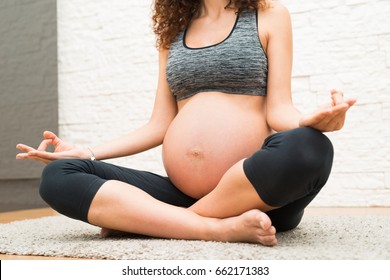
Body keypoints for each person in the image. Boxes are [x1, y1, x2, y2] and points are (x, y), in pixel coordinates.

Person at [16, 0, 356, 246]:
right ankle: (215, 228)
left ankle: (152, 221)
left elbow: (278, 110)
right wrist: (86, 152)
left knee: (312, 147)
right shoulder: (173, 29)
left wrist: (310, 122)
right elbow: (160, 124)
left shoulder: (269, 16)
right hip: (180, 192)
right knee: (58, 176)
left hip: (256, 196)